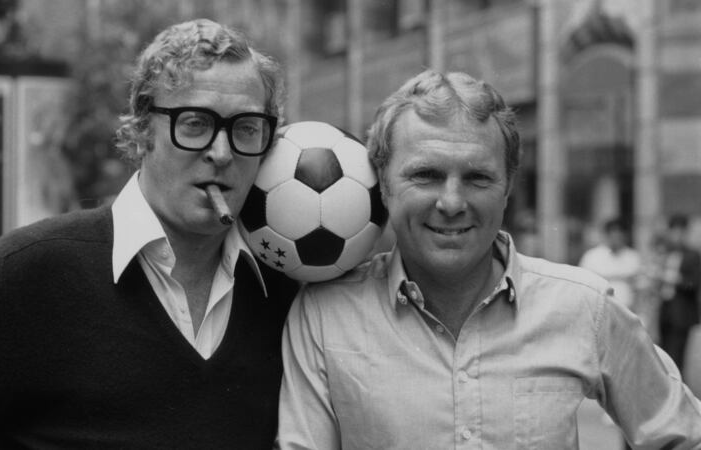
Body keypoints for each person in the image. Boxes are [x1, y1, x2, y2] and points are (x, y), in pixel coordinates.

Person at [0, 19, 298, 449]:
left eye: (245, 129)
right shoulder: (25, 274)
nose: (221, 153)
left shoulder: (282, 293)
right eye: (195, 123)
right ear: (144, 128)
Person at [275, 70, 701, 449]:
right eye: (426, 175)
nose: (452, 202)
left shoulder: (584, 308)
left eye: (478, 177)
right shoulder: (324, 317)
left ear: (509, 186)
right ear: (383, 184)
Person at [659, 214, 701, 376]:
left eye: (680, 232)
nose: (676, 236)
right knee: (663, 355)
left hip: (681, 312)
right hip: (664, 311)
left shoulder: (693, 255)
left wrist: (676, 280)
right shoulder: (665, 253)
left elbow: (695, 283)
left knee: (676, 357)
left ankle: (678, 393)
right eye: (673, 231)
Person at [578, 218, 641, 312]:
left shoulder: (633, 257)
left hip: (627, 310)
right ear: (606, 235)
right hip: (599, 310)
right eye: (613, 234)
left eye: (620, 235)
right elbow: (583, 284)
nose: (616, 238)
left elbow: (639, 286)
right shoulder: (591, 256)